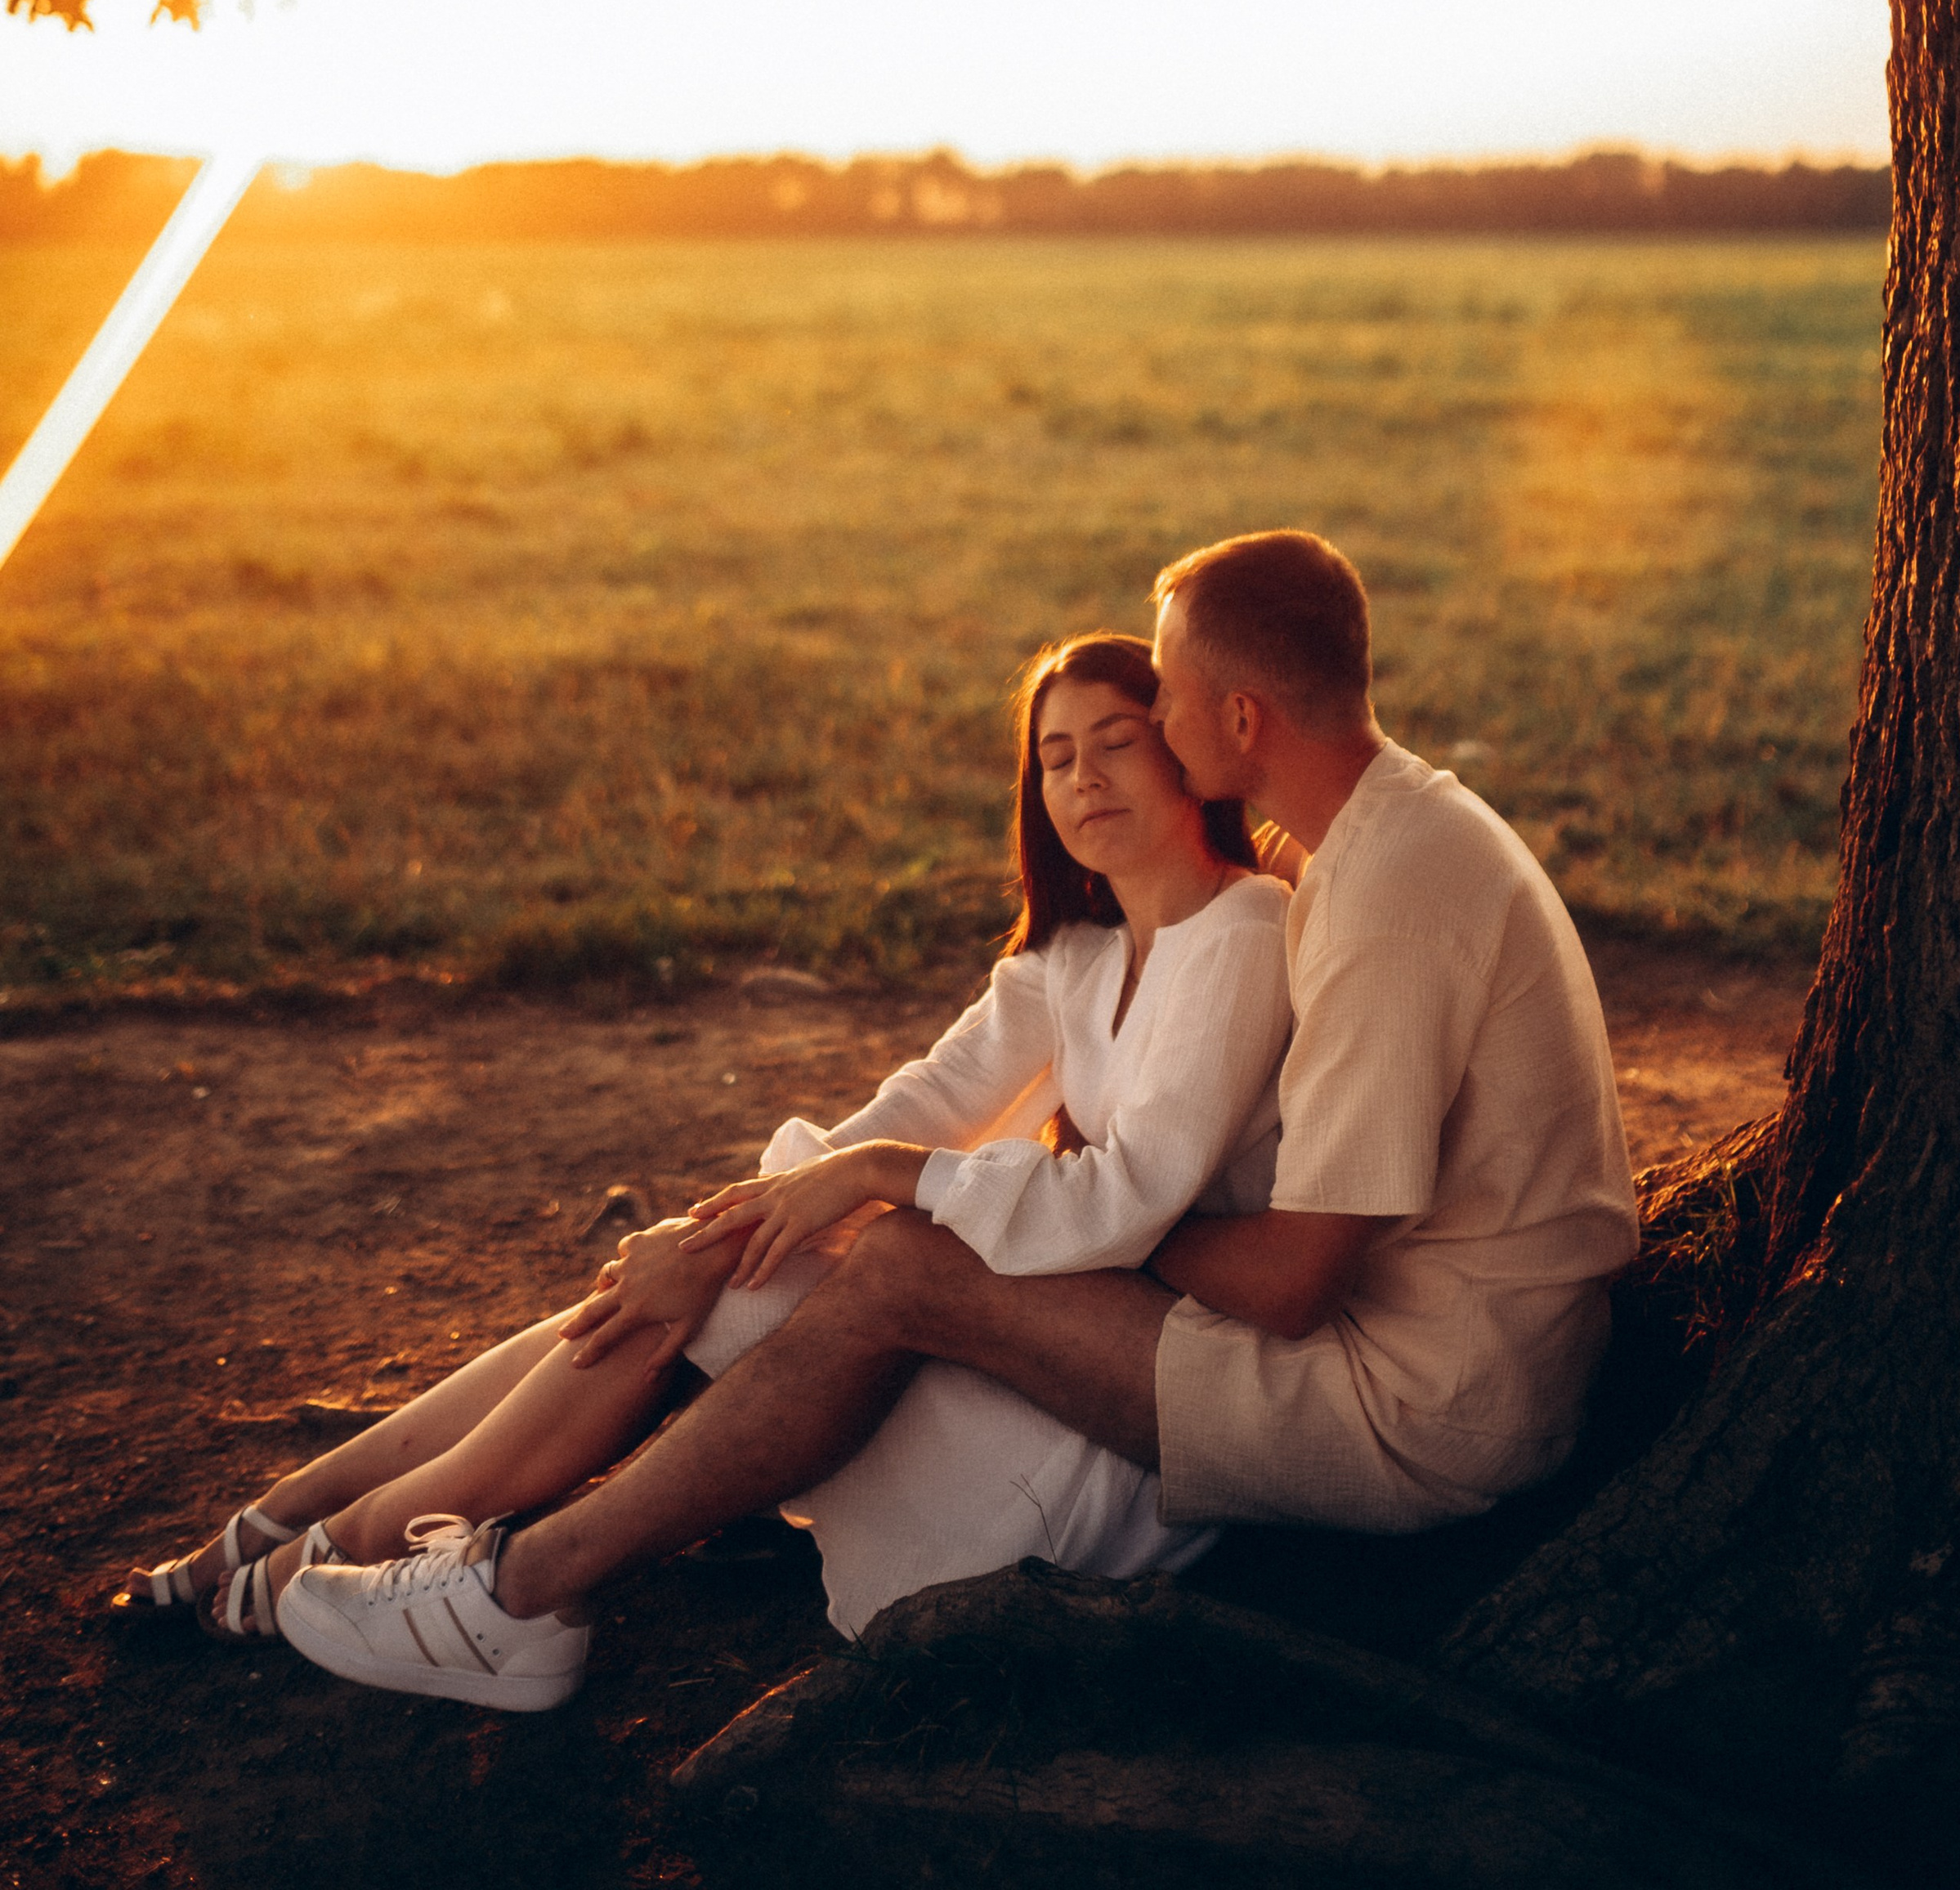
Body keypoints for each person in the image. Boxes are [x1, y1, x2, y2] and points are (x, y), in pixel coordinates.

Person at [269, 526, 1640, 1713]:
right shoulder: (1376, 843)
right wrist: (937, 1186)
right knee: (876, 1242)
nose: (1138, 733)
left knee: (920, 1259)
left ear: (1235, 722)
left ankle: (519, 1591)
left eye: (1158, 701)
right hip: (1401, 1345)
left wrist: (1018, 1198)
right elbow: (1040, 1121)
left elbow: (1285, 1284)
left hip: (1423, 1407)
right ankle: (345, 1531)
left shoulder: (1377, 901)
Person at [116, 634, 1291, 1685]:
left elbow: (1133, 1201)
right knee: (698, 1269)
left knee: (731, 1278)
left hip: (1106, 1418)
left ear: (1184, 752)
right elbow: (934, 1096)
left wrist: (855, 1184)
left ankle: (355, 1551)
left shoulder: (1240, 936)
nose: (1083, 779)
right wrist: (749, 1212)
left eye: (1117, 744)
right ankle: (299, 1521)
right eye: (1056, 755)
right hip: (1033, 1324)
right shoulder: (1082, 951)